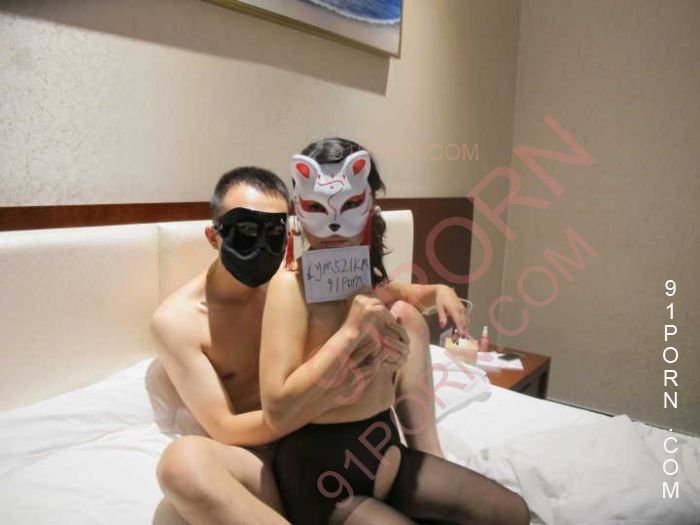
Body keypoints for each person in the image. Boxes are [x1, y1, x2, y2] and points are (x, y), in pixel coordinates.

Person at [152, 165, 472, 524]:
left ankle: (428, 457)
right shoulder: (177, 321)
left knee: (406, 317)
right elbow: (225, 428)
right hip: (262, 452)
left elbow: (387, 292)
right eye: (245, 232)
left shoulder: (298, 280)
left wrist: (435, 292)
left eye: (274, 232)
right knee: (181, 467)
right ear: (214, 236)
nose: (261, 246)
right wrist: (325, 391)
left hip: (334, 434)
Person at [260, 138, 531, 524]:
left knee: (510, 512)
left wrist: (438, 291)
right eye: (317, 207)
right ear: (298, 209)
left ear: (370, 205)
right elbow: (276, 407)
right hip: (323, 477)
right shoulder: (290, 287)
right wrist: (350, 334)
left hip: (385, 451)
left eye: (351, 205)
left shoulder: (361, 274)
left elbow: (403, 294)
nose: (334, 224)